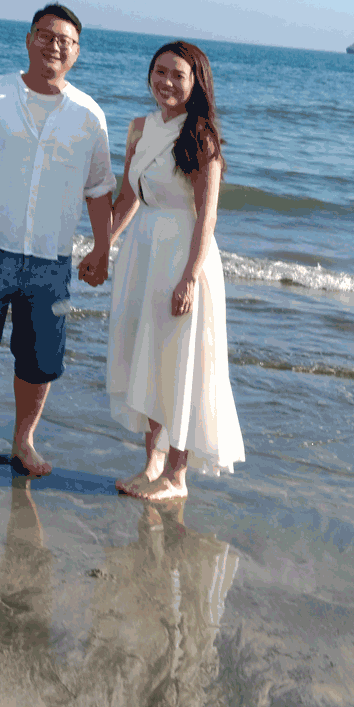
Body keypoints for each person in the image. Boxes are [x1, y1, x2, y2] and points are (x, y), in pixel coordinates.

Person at [0, 4, 115, 478]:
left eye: (65, 41)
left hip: (52, 259)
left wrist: (101, 247)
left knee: (39, 360)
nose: (55, 46)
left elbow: (98, 188)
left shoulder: (89, 116)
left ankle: (24, 443)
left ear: (77, 52)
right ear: (29, 39)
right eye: (46, 36)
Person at [101, 39, 244, 501]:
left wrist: (189, 277)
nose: (165, 82)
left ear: (195, 82)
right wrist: (103, 247)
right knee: (148, 355)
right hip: (144, 252)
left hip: (186, 256)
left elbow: (208, 215)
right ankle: (151, 466)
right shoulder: (139, 129)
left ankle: (177, 478)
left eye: (177, 75)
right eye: (159, 72)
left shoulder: (201, 136)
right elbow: (128, 199)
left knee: (181, 362)